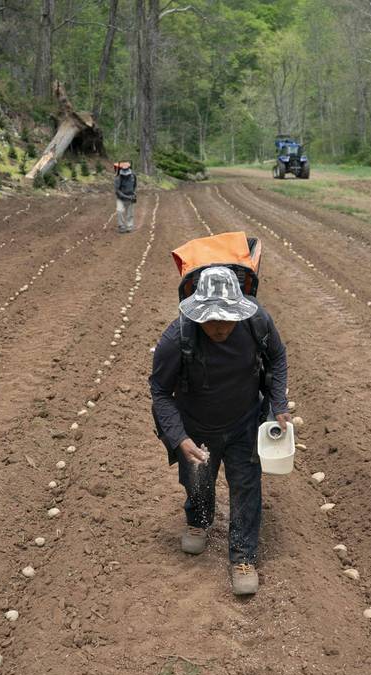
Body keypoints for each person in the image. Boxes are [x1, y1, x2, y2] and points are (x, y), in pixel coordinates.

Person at [150, 266, 290, 596]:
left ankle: (243, 557)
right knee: (198, 480)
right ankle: (199, 520)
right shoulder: (177, 337)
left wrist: (279, 402)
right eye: (211, 320)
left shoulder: (258, 323)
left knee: (246, 485)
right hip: (197, 428)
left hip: (244, 422)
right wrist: (178, 437)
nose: (219, 327)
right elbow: (159, 390)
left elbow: (278, 358)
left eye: (227, 319)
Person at [114, 162, 136, 233]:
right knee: (119, 211)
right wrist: (125, 196)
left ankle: (129, 227)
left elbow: (135, 185)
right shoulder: (118, 178)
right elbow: (117, 190)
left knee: (130, 213)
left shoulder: (133, 176)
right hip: (121, 198)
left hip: (130, 196)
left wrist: (133, 194)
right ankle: (121, 226)